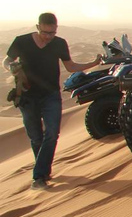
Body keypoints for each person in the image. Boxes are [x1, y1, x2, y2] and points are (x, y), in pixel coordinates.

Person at [3, 13, 102, 190]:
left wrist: (93, 63)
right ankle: (44, 171)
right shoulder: (22, 41)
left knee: (52, 133)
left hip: (51, 95)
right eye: (45, 32)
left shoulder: (59, 43)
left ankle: (39, 177)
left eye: (52, 33)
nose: (48, 37)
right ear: (37, 27)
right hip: (27, 96)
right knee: (35, 138)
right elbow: (7, 60)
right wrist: (10, 67)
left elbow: (70, 66)